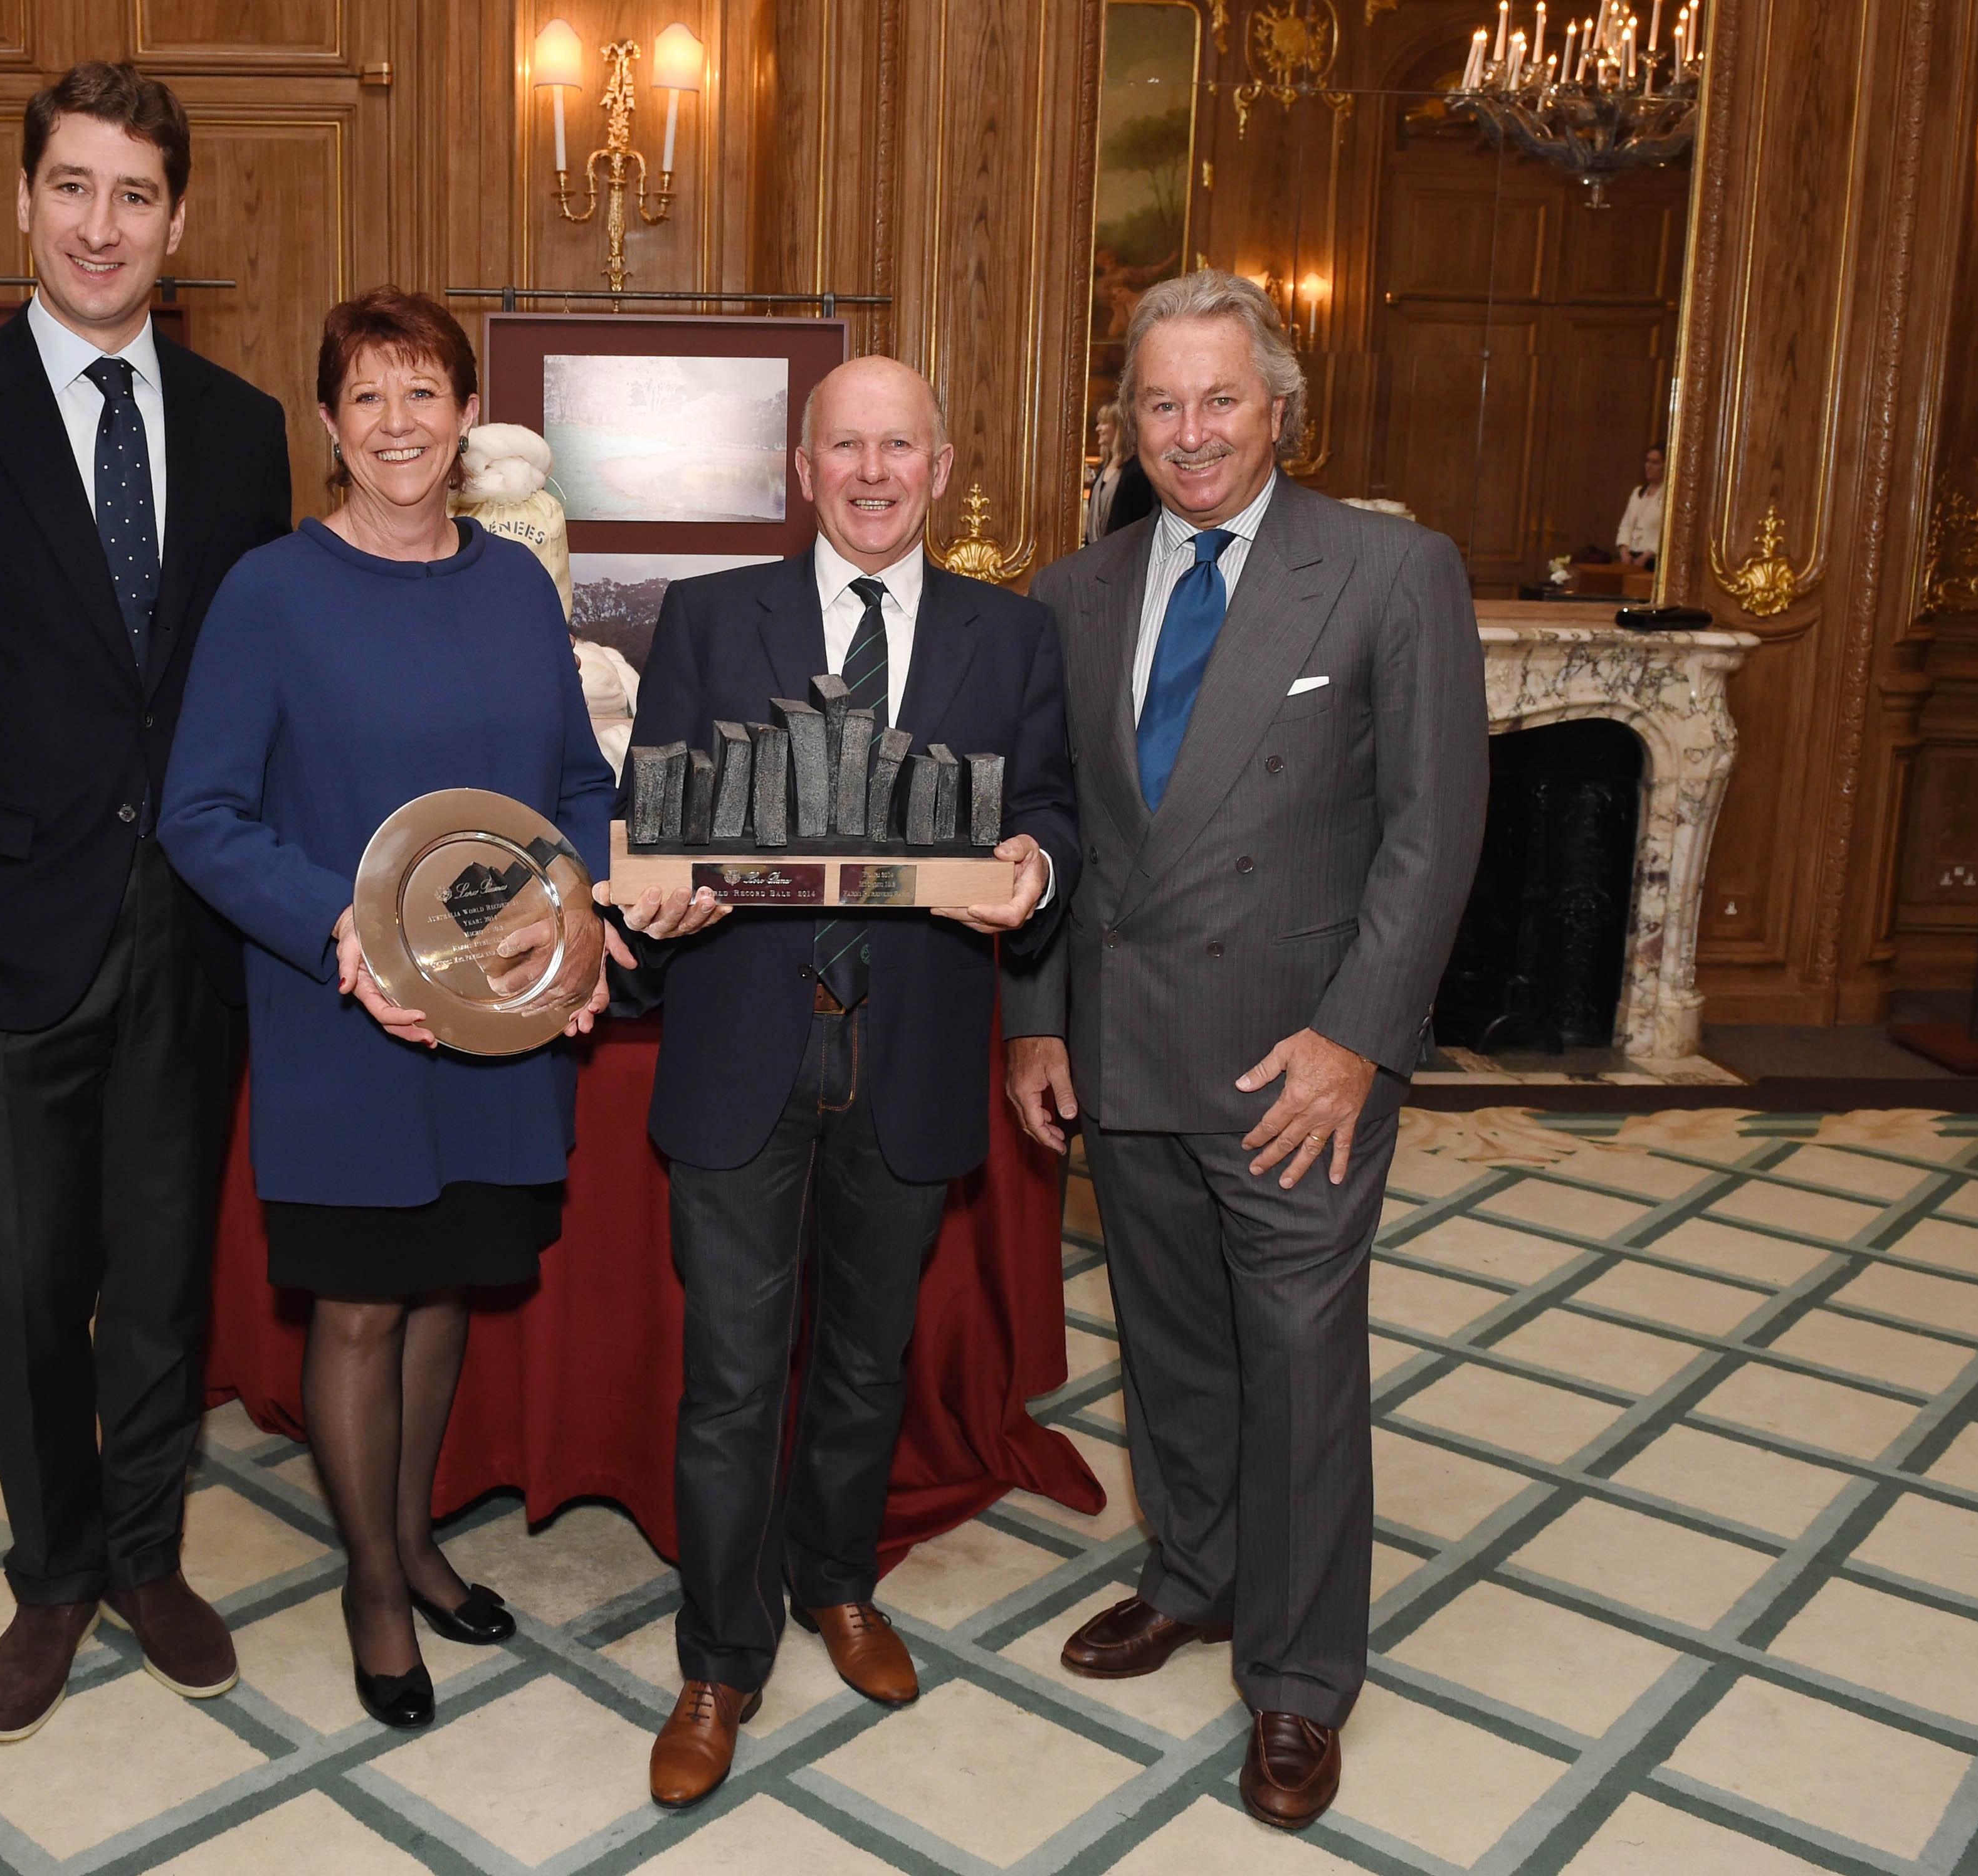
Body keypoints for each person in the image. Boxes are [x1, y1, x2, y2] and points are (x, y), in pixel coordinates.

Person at [0, 61, 291, 1744]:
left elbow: (258, 694)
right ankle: (55, 1568)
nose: (103, 225)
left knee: (163, 1269)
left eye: (137, 195)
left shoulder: (242, 434)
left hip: (195, 928)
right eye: (73, 187)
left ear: (182, 220)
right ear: (22, 202)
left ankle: (151, 1550)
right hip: (2, 929)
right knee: (22, 1276)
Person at [1002, 268, 1486, 1831]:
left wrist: (1357, 1039)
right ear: (1125, 420)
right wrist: (1031, 1022)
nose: (1191, 430)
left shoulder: (1388, 570)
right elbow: (1055, 829)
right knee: (1175, 1352)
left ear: (1280, 404)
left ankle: (1295, 1676)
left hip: (1299, 1065)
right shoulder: (1080, 592)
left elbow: (1434, 834)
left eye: (1221, 397)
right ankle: (1194, 1576)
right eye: (1161, 401)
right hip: (1124, 1055)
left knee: (1294, 1365)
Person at [158, 289, 624, 1732]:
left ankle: (415, 1534)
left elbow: (579, 788)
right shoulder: (271, 592)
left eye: (425, 395)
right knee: (360, 1301)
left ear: (467, 416)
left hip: (494, 1014)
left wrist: (585, 911)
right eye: (367, 398)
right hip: (345, 1015)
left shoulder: (510, 587)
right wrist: (349, 940)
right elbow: (204, 815)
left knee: (442, 1284)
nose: (400, 425)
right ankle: (372, 1581)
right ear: (328, 428)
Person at [619, 356, 1079, 1809]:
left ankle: (838, 1581)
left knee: (868, 1361)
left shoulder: (1013, 635)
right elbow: (658, 806)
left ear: (942, 469)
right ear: (800, 469)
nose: (874, 471)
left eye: (901, 446)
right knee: (735, 1378)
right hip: (741, 1046)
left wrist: (1036, 862)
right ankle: (717, 1655)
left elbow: (1051, 802)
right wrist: (661, 892)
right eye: (845, 447)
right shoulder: (705, 619)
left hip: (917, 1055)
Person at [1085, 398, 1159, 544]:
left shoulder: (1138, 470)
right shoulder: (1104, 467)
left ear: (1119, 427)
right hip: (1095, 554)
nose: (1098, 428)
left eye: (1104, 423)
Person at [1615, 442, 1665, 568]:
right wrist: (1624, 552)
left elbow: (1667, 532)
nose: (1649, 466)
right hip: (1631, 557)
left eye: (1655, 463)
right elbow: (1626, 524)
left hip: (1653, 560)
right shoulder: (1638, 492)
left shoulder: (1669, 496)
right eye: (1648, 461)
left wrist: (1646, 556)